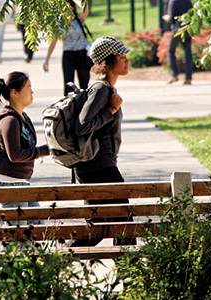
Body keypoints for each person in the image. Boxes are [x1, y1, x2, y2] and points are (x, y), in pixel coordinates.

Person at [71, 36, 134, 246]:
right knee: (125, 224)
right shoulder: (100, 89)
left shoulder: (106, 88)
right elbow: (82, 125)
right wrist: (112, 110)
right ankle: (131, 275)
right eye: (121, 56)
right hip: (99, 167)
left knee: (98, 228)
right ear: (108, 61)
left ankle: (56, 265)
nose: (126, 60)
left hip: (96, 166)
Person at [0, 71, 50, 225]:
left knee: (37, 231)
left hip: (22, 183)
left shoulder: (23, 117)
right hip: (9, 186)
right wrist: (44, 151)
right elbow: (14, 154)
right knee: (18, 241)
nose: (32, 91)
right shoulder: (9, 121)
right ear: (15, 93)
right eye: (28, 87)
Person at [43, 0, 92, 96]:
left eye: (69, 7)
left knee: (84, 84)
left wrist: (74, 0)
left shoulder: (78, 19)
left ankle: (84, 106)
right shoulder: (59, 24)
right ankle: (69, 107)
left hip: (81, 54)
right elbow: (53, 43)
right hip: (68, 55)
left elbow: (86, 9)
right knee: (68, 85)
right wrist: (47, 60)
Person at [165, 0, 193, 84]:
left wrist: (167, 18)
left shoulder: (173, 2)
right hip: (187, 29)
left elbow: (171, 18)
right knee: (188, 54)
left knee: (171, 51)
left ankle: (174, 75)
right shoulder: (188, 1)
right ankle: (188, 78)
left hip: (177, 29)